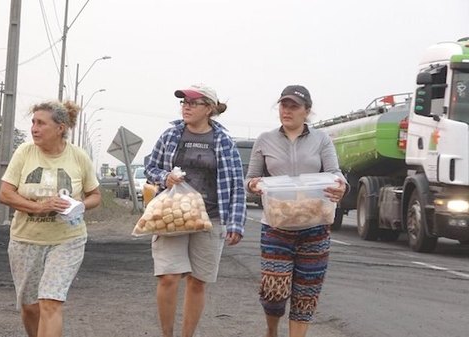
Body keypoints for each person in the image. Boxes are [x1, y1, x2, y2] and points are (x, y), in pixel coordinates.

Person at [245, 85, 348, 337]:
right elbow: (249, 180)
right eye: (283, 105)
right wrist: (254, 185)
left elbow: (335, 173)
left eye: (294, 107)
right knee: (274, 293)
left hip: (314, 226)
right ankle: (272, 331)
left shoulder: (321, 139)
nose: (287, 111)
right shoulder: (265, 140)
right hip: (276, 226)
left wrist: (341, 186)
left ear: (307, 112)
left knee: (306, 292)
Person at [145, 84, 246, 337]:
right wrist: (164, 176)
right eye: (183, 102)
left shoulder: (223, 141)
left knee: (198, 281)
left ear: (209, 109)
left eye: (193, 103)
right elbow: (150, 167)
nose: (186, 107)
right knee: (168, 277)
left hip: (210, 219)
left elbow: (236, 185)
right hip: (172, 217)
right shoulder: (170, 136)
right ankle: (166, 334)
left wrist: (235, 223)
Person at [0, 100, 101, 337]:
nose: (34, 128)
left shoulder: (78, 156)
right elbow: (5, 194)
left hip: (67, 240)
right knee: (31, 308)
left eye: (41, 123)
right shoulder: (24, 153)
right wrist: (38, 207)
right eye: (33, 122)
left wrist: (79, 206)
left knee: (50, 301)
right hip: (26, 240)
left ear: (60, 128)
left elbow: (95, 195)